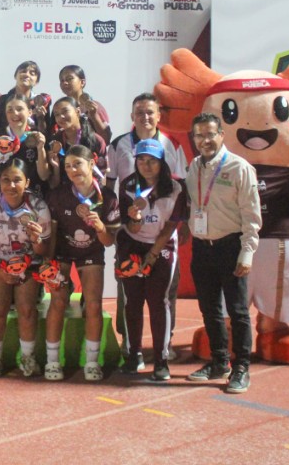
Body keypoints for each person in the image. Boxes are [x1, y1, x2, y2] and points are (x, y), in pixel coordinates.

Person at [183, 113, 260, 394]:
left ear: (221, 135)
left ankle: (242, 368)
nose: (205, 140)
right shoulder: (194, 167)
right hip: (202, 248)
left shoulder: (240, 168)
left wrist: (247, 252)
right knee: (210, 309)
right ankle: (219, 362)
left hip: (231, 246)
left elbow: (252, 215)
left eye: (210, 134)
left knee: (238, 311)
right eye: (199, 135)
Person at [106, 93, 187, 355]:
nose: (145, 117)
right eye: (139, 112)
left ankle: (167, 342)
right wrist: (115, 222)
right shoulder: (118, 144)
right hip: (131, 229)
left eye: (150, 112)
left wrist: (182, 224)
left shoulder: (171, 143)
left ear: (158, 115)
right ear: (132, 116)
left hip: (164, 227)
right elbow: (110, 185)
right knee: (128, 286)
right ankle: (129, 344)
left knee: (165, 288)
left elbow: (182, 187)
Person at [44, 145, 121, 381]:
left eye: (77, 164)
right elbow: (53, 233)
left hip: (92, 253)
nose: (72, 169)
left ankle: (91, 361)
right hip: (63, 252)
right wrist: (49, 262)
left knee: (94, 305)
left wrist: (99, 227)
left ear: (92, 163)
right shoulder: (58, 195)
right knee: (57, 302)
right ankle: (52, 361)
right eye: (68, 166)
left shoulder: (107, 197)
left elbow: (108, 242)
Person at [0, 158, 52, 378]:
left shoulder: (38, 207)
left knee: (26, 309)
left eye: (17, 180)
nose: (11, 185)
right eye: (6, 180)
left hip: (29, 263)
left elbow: (43, 249)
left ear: (26, 182)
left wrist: (36, 239)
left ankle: (28, 358)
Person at [116, 139, 185, 380]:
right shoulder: (127, 185)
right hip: (132, 244)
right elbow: (131, 229)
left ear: (162, 163)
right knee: (132, 302)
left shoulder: (176, 188)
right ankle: (134, 355)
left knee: (159, 302)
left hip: (163, 245)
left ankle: (160, 360)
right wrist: (134, 217)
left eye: (152, 161)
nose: (146, 165)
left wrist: (153, 256)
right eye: (141, 160)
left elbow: (171, 226)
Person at [0, 95, 51, 200]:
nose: (15, 113)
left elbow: (44, 176)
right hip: (0, 197)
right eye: (10, 110)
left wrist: (41, 149)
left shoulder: (37, 137)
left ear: (30, 112)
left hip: (30, 198)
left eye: (19, 109)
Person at [46, 96, 108, 191]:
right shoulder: (54, 142)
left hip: (90, 196)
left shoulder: (96, 141)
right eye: (57, 114)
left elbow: (102, 177)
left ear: (78, 112)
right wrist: (56, 168)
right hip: (64, 198)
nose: (61, 117)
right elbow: (53, 184)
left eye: (65, 111)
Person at [0, 61, 51, 137]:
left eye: (32, 73)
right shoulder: (3, 100)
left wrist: (40, 118)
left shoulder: (40, 102)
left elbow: (46, 131)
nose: (26, 74)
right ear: (15, 76)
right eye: (23, 71)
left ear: (37, 81)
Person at [56, 65, 112, 143]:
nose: (65, 83)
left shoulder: (95, 106)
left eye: (69, 79)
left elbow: (106, 139)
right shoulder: (59, 110)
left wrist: (94, 115)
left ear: (82, 82)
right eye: (62, 80)